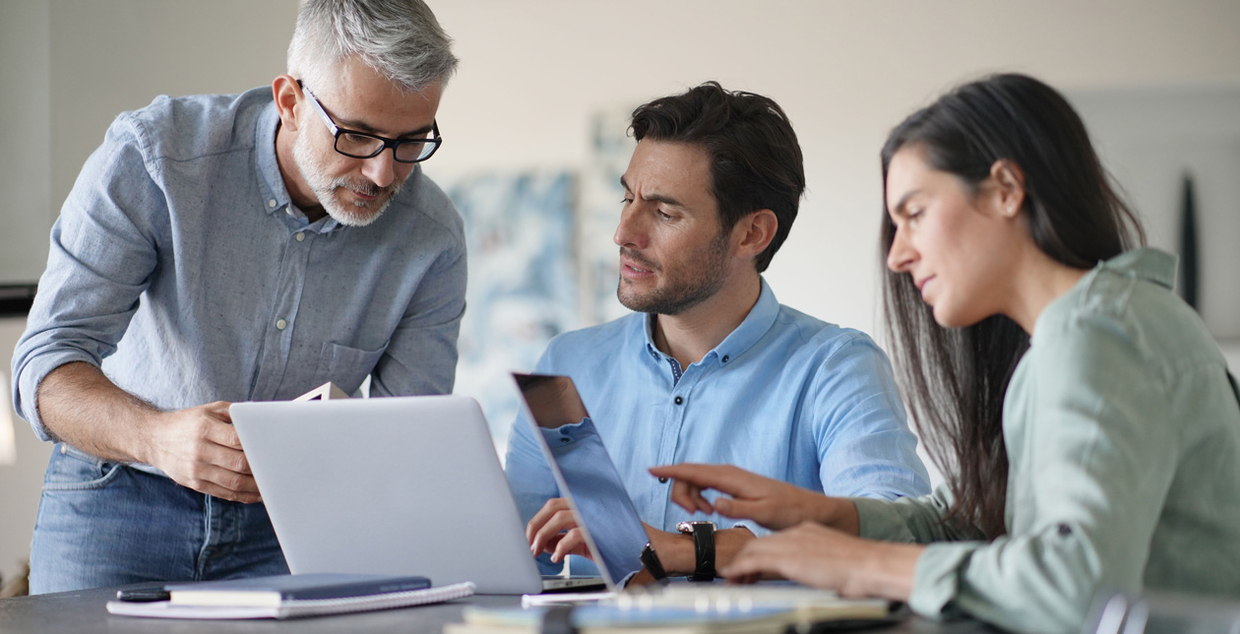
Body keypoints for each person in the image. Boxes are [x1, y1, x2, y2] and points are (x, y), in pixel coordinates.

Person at [652, 73, 1240, 633]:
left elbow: (1073, 586)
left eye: (914, 214)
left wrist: (858, 565)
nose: (897, 256)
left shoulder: (1099, 334)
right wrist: (824, 515)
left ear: (1007, 190)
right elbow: (977, 520)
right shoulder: (1099, 327)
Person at [11, 0, 466, 594]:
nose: (384, 174)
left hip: (298, 523)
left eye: (410, 141)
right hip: (117, 495)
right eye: (358, 136)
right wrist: (158, 437)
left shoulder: (431, 238)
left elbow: (410, 437)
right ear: (291, 102)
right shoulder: (155, 159)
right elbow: (43, 365)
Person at [505, 82, 930, 581]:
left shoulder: (835, 367)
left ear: (752, 233)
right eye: (627, 198)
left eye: (665, 212)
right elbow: (513, 560)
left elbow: (899, 537)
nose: (624, 233)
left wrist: (701, 550)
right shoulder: (566, 364)